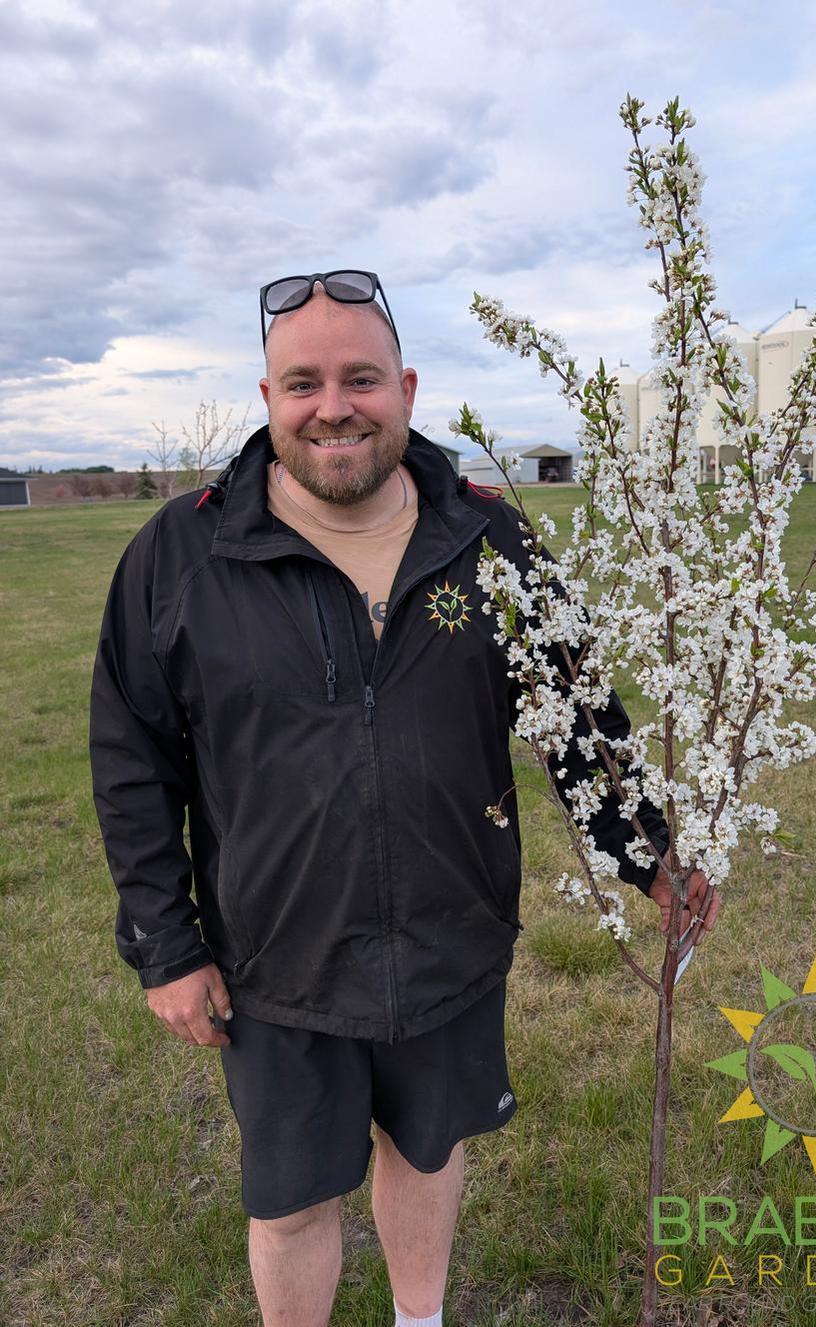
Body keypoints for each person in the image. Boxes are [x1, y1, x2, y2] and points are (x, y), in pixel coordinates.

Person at [89, 271, 720, 1327]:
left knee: (427, 1151)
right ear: (269, 395)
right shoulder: (182, 553)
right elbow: (130, 753)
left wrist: (646, 849)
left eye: (360, 378)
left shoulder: (491, 538)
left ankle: (418, 1321)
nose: (333, 404)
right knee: (291, 1200)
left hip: (448, 934)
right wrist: (167, 944)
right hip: (274, 957)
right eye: (304, 382)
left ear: (409, 388)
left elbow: (578, 714)